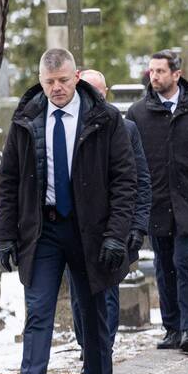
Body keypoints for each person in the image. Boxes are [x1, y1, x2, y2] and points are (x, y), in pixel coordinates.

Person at [0, 49, 136, 374]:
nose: (56, 88)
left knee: (92, 318)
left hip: (91, 231)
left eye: (62, 80)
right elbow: (8, 181)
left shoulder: (105, 119)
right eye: (49, 82)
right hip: (43, 230)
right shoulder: (27, 118)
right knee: (38, 312)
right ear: (40, 81)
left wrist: (115, 237)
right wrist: (5, 236)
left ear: (76, 77)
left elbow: (125, 182)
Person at [127, 50, 188, 354]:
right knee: (163, 265)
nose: (154, 76)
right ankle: (171, 327)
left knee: (185, 262)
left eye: (160, 71)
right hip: (156, 201)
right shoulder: (138, 113)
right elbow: (129, 160)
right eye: (151, 71)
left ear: (175, 74)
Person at [67, 69, 151, 352]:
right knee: (79, 296)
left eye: (97, 91)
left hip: (115, 226)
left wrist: (138, 226)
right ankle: (87, 346)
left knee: (109, 292)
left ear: (106, 93)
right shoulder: (67, 129)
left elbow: (139, 179)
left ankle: (102, 349)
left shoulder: (125, 129)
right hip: (76, 229)